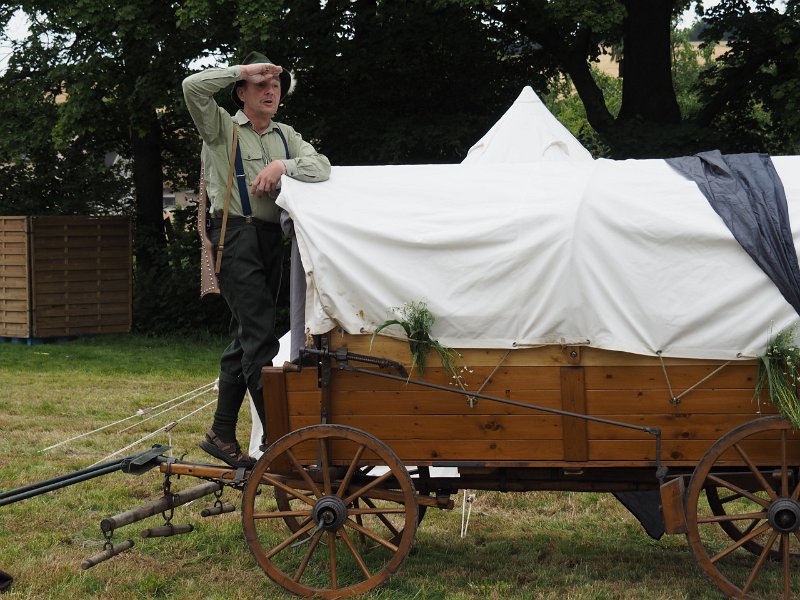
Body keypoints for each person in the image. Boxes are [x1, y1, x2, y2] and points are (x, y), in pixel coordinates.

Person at [183, 51, 330, 467]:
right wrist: (242, 69)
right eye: (260, 85)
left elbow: (322, 167)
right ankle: (279, 439)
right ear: (242, 91)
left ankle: (221, 433)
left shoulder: (285, 136)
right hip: (235, 237)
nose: (270, 91)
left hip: (271, 239)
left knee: (247, 336)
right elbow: (191, 88)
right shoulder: (221, 128)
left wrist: (283, 165)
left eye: (275, 85)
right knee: (262, 338)